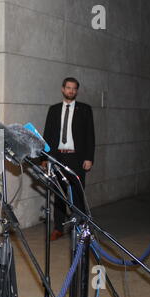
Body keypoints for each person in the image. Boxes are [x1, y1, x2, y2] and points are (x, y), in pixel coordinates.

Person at [43, 77, 95, 241]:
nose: (71, 91)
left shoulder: (85, 109)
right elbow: (48, 134)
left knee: (78, 193)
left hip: (77, 158)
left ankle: (80, 226)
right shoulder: (53, 110)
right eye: (68, 88)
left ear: (76, 91)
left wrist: (89, 157)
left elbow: (90, 135)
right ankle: (58, 228)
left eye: (74, 88)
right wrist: (44, 158)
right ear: (62, 89)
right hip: (57, 156)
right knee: (58, 193)